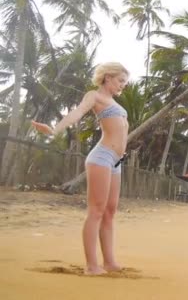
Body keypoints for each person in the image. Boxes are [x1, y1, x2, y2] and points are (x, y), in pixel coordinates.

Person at [32, 62, 129, 275]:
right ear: (108, 77)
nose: (123, 85)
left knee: (110, 211)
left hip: (116, 160)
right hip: (102, 157)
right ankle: (91, 265)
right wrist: (54, 130)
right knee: (96, 210)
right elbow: (77, 113)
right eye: (120, 80)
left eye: (125, 82)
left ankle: (109, 261)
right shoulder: (95, 97)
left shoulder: (114, 102)